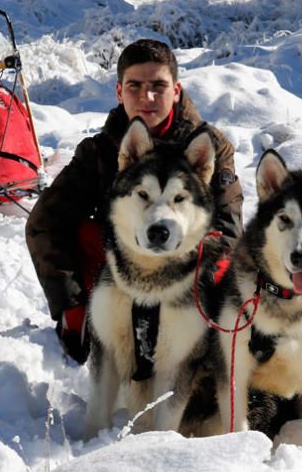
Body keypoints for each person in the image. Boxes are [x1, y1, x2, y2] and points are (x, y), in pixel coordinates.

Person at [25, 39, 243, 363]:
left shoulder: (208, 146)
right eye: (135, 86)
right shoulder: (98, 152)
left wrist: (202, 278)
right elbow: (45, 222)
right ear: (118, 91)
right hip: (119, 269)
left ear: (177, 89)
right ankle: (99, 327)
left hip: (187, 270)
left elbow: (228, 225)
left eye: (158, 86)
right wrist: (70, 305)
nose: (147, 98)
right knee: (84, 232)